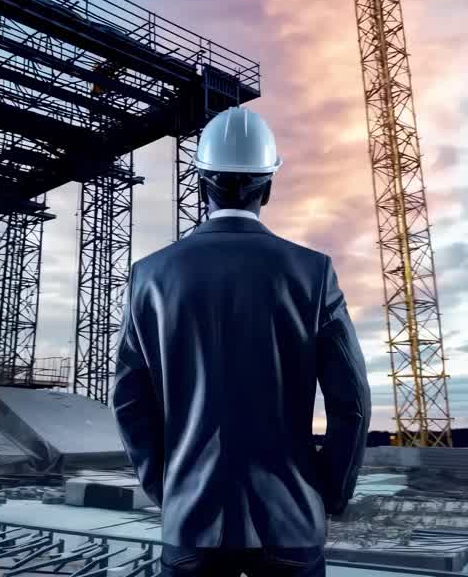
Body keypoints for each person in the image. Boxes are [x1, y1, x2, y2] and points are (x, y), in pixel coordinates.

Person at [112, 106, 373, 577]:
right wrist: (327, 493)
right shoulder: (312, 273)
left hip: (191, 523)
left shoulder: (149, 276)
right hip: (291, 522)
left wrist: (171, 492)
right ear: (267, 187)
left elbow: (130, 403)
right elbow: (351, 401)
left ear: (202, 184)